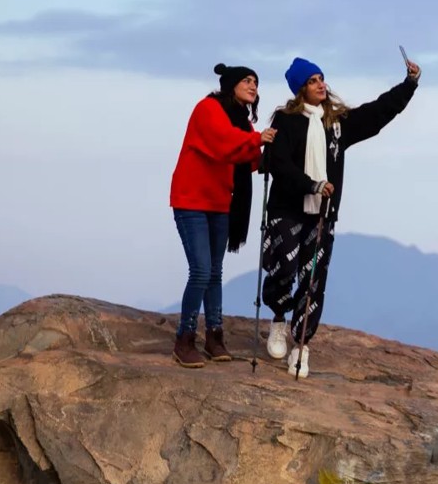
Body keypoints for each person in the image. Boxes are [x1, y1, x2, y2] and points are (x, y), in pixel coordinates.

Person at [261, 54, 421, 377]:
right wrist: (312, 185)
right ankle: (278, 318)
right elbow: (278, 163)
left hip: (322, 214)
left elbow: (377, 112)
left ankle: (301, 343)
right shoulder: (285, 120)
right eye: (312, 81)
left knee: (313, 279)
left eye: (321, 78)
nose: (320, 85)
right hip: (286, 209)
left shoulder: (336, 123)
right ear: (300, 89)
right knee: (284, 268)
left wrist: (409, 84)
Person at [168, 63, 276, 368]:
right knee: (202, 271)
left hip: (219, 202)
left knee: (214, 272)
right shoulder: (208, 108)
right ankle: (184, 339)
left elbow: (248, 158)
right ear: (231, 84)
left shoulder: (243, 122)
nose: (253, 86)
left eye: (256, 82)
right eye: (247, 80)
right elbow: (222, 142)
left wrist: (276, 149)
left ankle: (214, 337)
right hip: (191, 200)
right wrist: (257, 140)